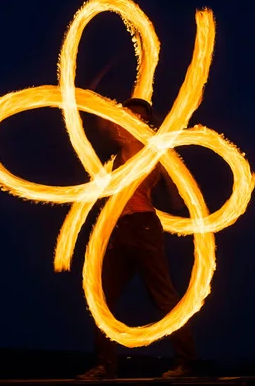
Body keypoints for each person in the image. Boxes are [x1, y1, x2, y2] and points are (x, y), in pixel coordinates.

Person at [77, 98, 198, 380]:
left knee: (164, 298)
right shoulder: (122, 151)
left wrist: (171, 180)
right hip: (119, 228)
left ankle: (187, 363)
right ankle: (105, 365)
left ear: (147, 123)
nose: (131, 120)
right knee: (101, 300)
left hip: (143, 226)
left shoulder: (146, 148)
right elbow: (102, 125)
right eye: (128, 115)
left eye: (139, 117)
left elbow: (104, 124)